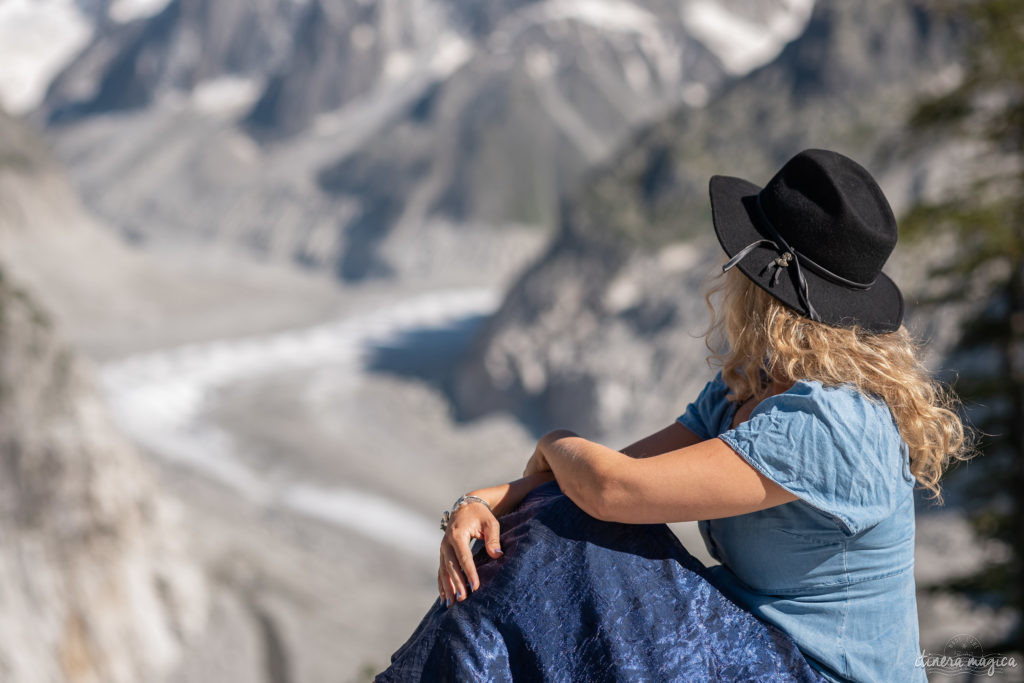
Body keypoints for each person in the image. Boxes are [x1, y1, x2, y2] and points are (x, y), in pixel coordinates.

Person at [376, 149, 972, 682]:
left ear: (760, 283)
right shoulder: (754, 383)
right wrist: (481, 502)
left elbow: (609, 488)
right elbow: (600, 480)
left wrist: (555, 440)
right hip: (763, 650)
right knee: (552, 519)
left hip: (814, 673)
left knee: (564, 533)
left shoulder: (832, 424)